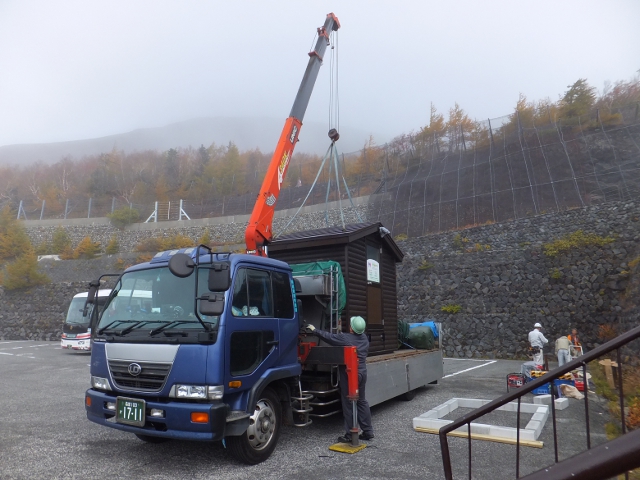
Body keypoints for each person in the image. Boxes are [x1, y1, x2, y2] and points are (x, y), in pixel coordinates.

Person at [306, 316, 374, 443]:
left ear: (351, 329)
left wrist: (315, 330)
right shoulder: (364, 338)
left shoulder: (346, 338)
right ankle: (368, 431)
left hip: (350, 374)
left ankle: (350, 434)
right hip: (362, 373)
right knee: (361, 401)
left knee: (348, 404)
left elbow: (330, 338)